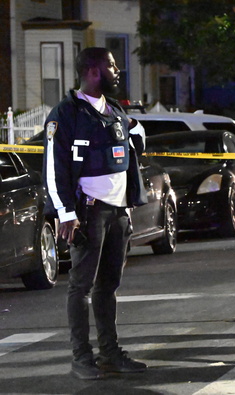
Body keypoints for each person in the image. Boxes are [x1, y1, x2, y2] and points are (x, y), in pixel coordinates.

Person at [43, 47, 148, 379]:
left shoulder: (114, 110)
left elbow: (134, 144)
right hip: (87, 214)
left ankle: (110, 353)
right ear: (91, 71)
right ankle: (81, 357)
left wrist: (134, 128)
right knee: (81, 286)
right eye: (112, 66)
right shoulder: (67, 114)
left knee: (108, 286)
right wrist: (65, 213)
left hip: (117, 213)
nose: (118, 71)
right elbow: (52, 169)